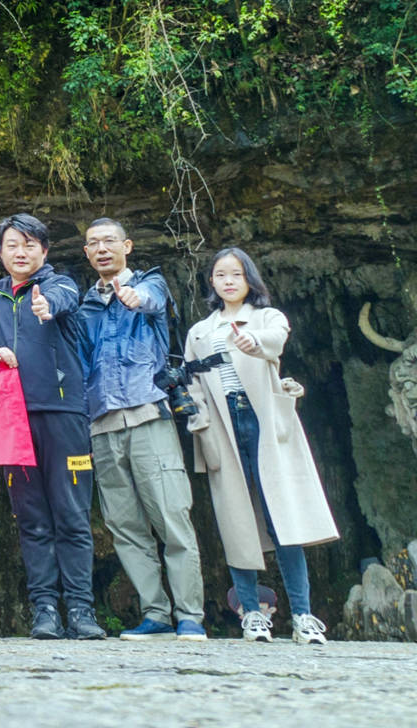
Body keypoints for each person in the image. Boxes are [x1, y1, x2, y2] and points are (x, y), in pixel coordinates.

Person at [182, 247, 339, 644]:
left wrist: (250, 341)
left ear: (249, 279)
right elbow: (192, 383)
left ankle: (303, 616)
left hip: (264, 422)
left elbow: (272, 341)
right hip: (223, 425)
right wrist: (199, 423)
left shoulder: (267, 317)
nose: (229, 281)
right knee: (237, 521)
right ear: (212, 282)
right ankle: (252, 614)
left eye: (236, 274)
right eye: (221, 275)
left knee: (281, 518)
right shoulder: (200, 331)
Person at [0, 214, 102, 640]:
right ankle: (45, 609)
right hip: (14, 421)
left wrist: (46, 306)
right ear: (1, 252)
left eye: (29, 245)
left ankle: (81, 610)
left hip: (63, 415)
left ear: (44, 251)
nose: (20, 252)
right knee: (31, 518)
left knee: (72, 515)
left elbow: (66, 299)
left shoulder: (59, 285)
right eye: (12, 245)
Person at [78, 219, 206, 642]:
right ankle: (156, 614)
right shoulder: (85, 306)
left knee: (171, 516)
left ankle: (190, 615)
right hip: (102, 424)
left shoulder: (151, 284)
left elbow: (150, 300)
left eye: (109, 241)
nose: (102, 249)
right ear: (86, 253)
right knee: (125, 525)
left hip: (149, 414)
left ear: (126, 246)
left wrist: (133, 297)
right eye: (93, 243)